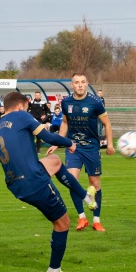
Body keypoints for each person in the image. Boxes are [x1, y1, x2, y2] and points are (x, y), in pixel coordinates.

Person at [0, 91, 97, 272]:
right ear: (21, 106)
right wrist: (69, 143)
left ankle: (86, 197)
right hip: (34, 182)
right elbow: (49, 137)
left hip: (16, 185)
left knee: (54, 161)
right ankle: (54, 271)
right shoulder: (22, 116)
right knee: (63, 224)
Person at [47, 73, 115, 232]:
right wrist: (58, 142)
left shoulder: (95, 102)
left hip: (91, 148)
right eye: (76, 82)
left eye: (83, 82)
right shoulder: (66, 102)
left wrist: (110, 145)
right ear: (72, 85)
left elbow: (107, 123)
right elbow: (64, 123)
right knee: (72, 181)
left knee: (95, 184)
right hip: (73, 147)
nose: (80, 85)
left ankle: (96, 220)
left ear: (87, 83)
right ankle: (82, 217)